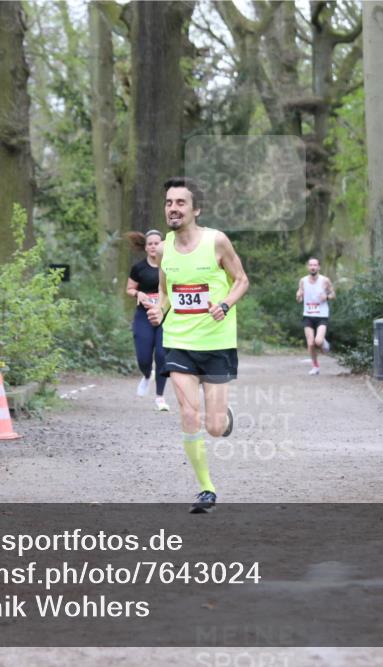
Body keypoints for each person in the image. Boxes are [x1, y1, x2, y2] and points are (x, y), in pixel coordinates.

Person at [146, 176, 249, 513]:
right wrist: (159, 311)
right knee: (189, 415)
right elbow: (166, 292)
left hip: (217, 343)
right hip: (179, 343)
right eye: (169, 203)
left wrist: (225, 304)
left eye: (180, 203)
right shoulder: (163, 250)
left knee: (214, 427)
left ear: (196, 209)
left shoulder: (217, 242)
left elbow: (242, 280)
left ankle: (223, 418)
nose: (173, 209)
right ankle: (206, 489)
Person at [126, 230, 170, 411]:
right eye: (150, 243)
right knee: (144, 358)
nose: (153, 246)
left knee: (161, 355)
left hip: (165, 316)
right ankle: (146, 374)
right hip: (144, 316)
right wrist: (138, 293)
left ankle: (160, 397)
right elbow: (129, 288)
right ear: (145, 247)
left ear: (162, 245)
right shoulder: (138, 268)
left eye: (156, 243)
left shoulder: (169, 266)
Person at [296, 257, 335, 375]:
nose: (313, 267)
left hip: (321, 315)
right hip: (307, 315)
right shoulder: (303, 281)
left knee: (318, 341)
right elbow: (299, 297)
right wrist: (298, 296)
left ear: (319, 267)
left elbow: (333, 294)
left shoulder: (325, 280)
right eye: (310, 265)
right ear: (308, 267)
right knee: (310, 343)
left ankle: (324, 343)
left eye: (315, 265)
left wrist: (327, 297)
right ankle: (315, 366)